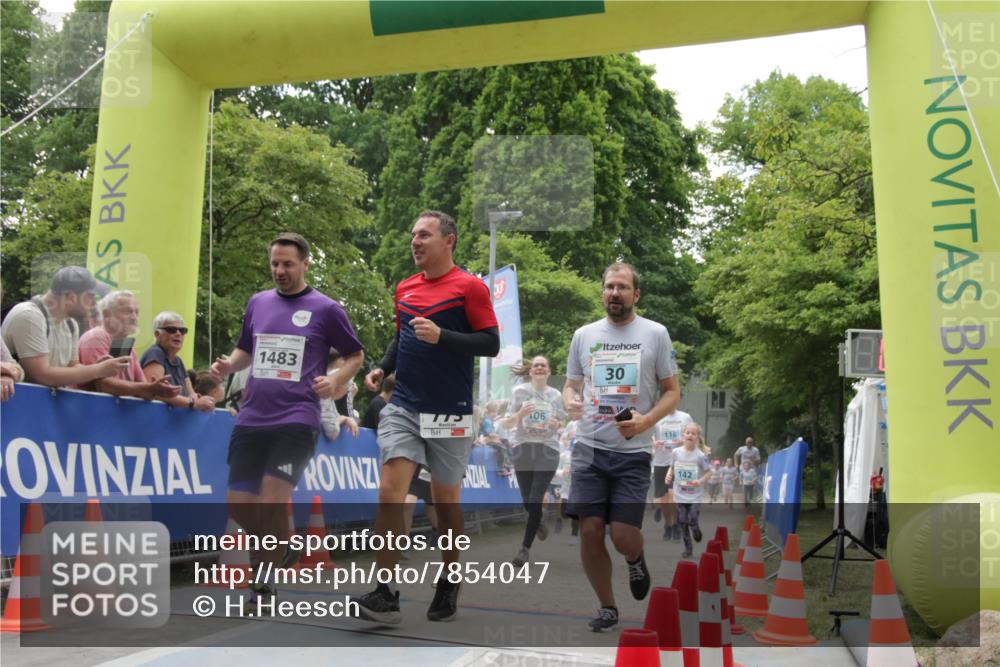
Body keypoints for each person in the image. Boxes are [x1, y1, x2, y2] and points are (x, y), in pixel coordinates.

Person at [357, 210, 499, 624]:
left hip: (450, 412)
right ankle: (385, 592)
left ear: (448, 240)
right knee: (390, 491)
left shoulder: (470, 287)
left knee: (445, 502)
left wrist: (444, 337)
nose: (415, 242)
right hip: (403, 405)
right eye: (413, 235)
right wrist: (383, 366)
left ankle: (450, 575)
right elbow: (401, 335)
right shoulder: (405, 287)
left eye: (424, 235)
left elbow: (490, 343)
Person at [210, 233, 364, 608]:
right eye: (275, 264)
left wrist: (336, 379)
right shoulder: (258, 302)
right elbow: (246, 348)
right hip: (252, 415)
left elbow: (355, 355)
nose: (280, 271)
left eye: (288, 264)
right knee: (239, 505)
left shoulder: (326, 309)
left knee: (271, 501)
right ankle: (285, 543)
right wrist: (230, 364)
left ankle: (262, 583)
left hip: (297, 418)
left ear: (306, 264)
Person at [563, 261, 681, 632]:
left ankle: (635, 558)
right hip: (589, 448)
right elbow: (571, 385)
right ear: (602, 291)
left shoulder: (655, 334)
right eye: (610, 287)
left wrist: (646, 421)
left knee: (623, 535)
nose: (615, 293)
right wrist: (569, 399)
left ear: (636, 294)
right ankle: (608, 606)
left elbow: (672, 391)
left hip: (633, 451)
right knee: (591, 529)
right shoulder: (584, 335)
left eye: (623, 287)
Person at [1, 266, 129, 387]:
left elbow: (72, 368)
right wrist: (97, 370)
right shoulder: (29, 316)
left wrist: (96, 369)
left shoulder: (70, 324)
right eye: (91, 296)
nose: (95, 302)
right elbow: (42, 376)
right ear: (70, 297)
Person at [501, 355, 566, 566]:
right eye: (536, 365)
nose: (539, 368)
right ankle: (537, 519)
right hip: (523, 448)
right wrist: (520, 414)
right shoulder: (519, 392)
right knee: (527, 500)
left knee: (536, 497)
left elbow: (562, 423)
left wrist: (557, 423)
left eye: (543, 365)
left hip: (548, 449)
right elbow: (508, 423)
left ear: (548, 371)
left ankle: (524, 549)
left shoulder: (555, 395)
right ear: (530, 371)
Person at [77, 291, 182, 402]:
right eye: (127, 311)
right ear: (107, 314)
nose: (134, 317)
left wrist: (156, 389)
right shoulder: (96, 338)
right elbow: (104, 386)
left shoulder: (127, 346)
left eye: (136, 312)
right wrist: (149, 389)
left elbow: (142, 386)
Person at [140, 311, 216, 411]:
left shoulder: (178, 361)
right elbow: (154, 392)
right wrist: (193, 403)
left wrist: (204, 401)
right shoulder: (155, 353)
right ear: (157, 334)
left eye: (182, 330)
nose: (178, 334)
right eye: (171, 330)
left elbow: (191, 394)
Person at [665, 422, 712, 558]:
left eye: (693, 433)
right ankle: (688, 549)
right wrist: (669, 475)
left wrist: (699, 481)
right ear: (683, 435)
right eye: (688, 433)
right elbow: (672, 467)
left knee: (692, 520)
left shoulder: (700, 456)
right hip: (680, 495)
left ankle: (696, 529)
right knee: (683, 522)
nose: (690, 435)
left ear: (698, 437)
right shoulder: (676, 452)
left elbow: (709, 473)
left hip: (695, 495)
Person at [651, 408, 692, 542]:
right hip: (660, 461)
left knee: (674, 495)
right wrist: (653, 443)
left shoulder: (685, 417)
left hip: (679, 461)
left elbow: (694, 436)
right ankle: (667, 524)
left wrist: (685, 441)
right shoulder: (656, 416)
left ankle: (675, 525)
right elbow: (645, 436)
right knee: (663, 498)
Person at [320, 349, 360, 441]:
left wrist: (345, 419)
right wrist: (342, 419)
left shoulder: (328, 397)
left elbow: (334, 416)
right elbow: (332, 431)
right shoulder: (324, 395)